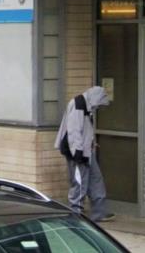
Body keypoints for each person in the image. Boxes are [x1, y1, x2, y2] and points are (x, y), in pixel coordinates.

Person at [54, 86, 115, 222]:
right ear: (95, 99)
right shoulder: (78, 105)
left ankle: (99, 212)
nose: (99, 108)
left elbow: (85, 130)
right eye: (99, 104)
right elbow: (74, 131)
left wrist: (91, 143)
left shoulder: (88, 106)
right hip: (77, 152)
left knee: (96, 180)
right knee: (80, 183)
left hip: (86, 150)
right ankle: (75, 213)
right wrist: (78, 153)